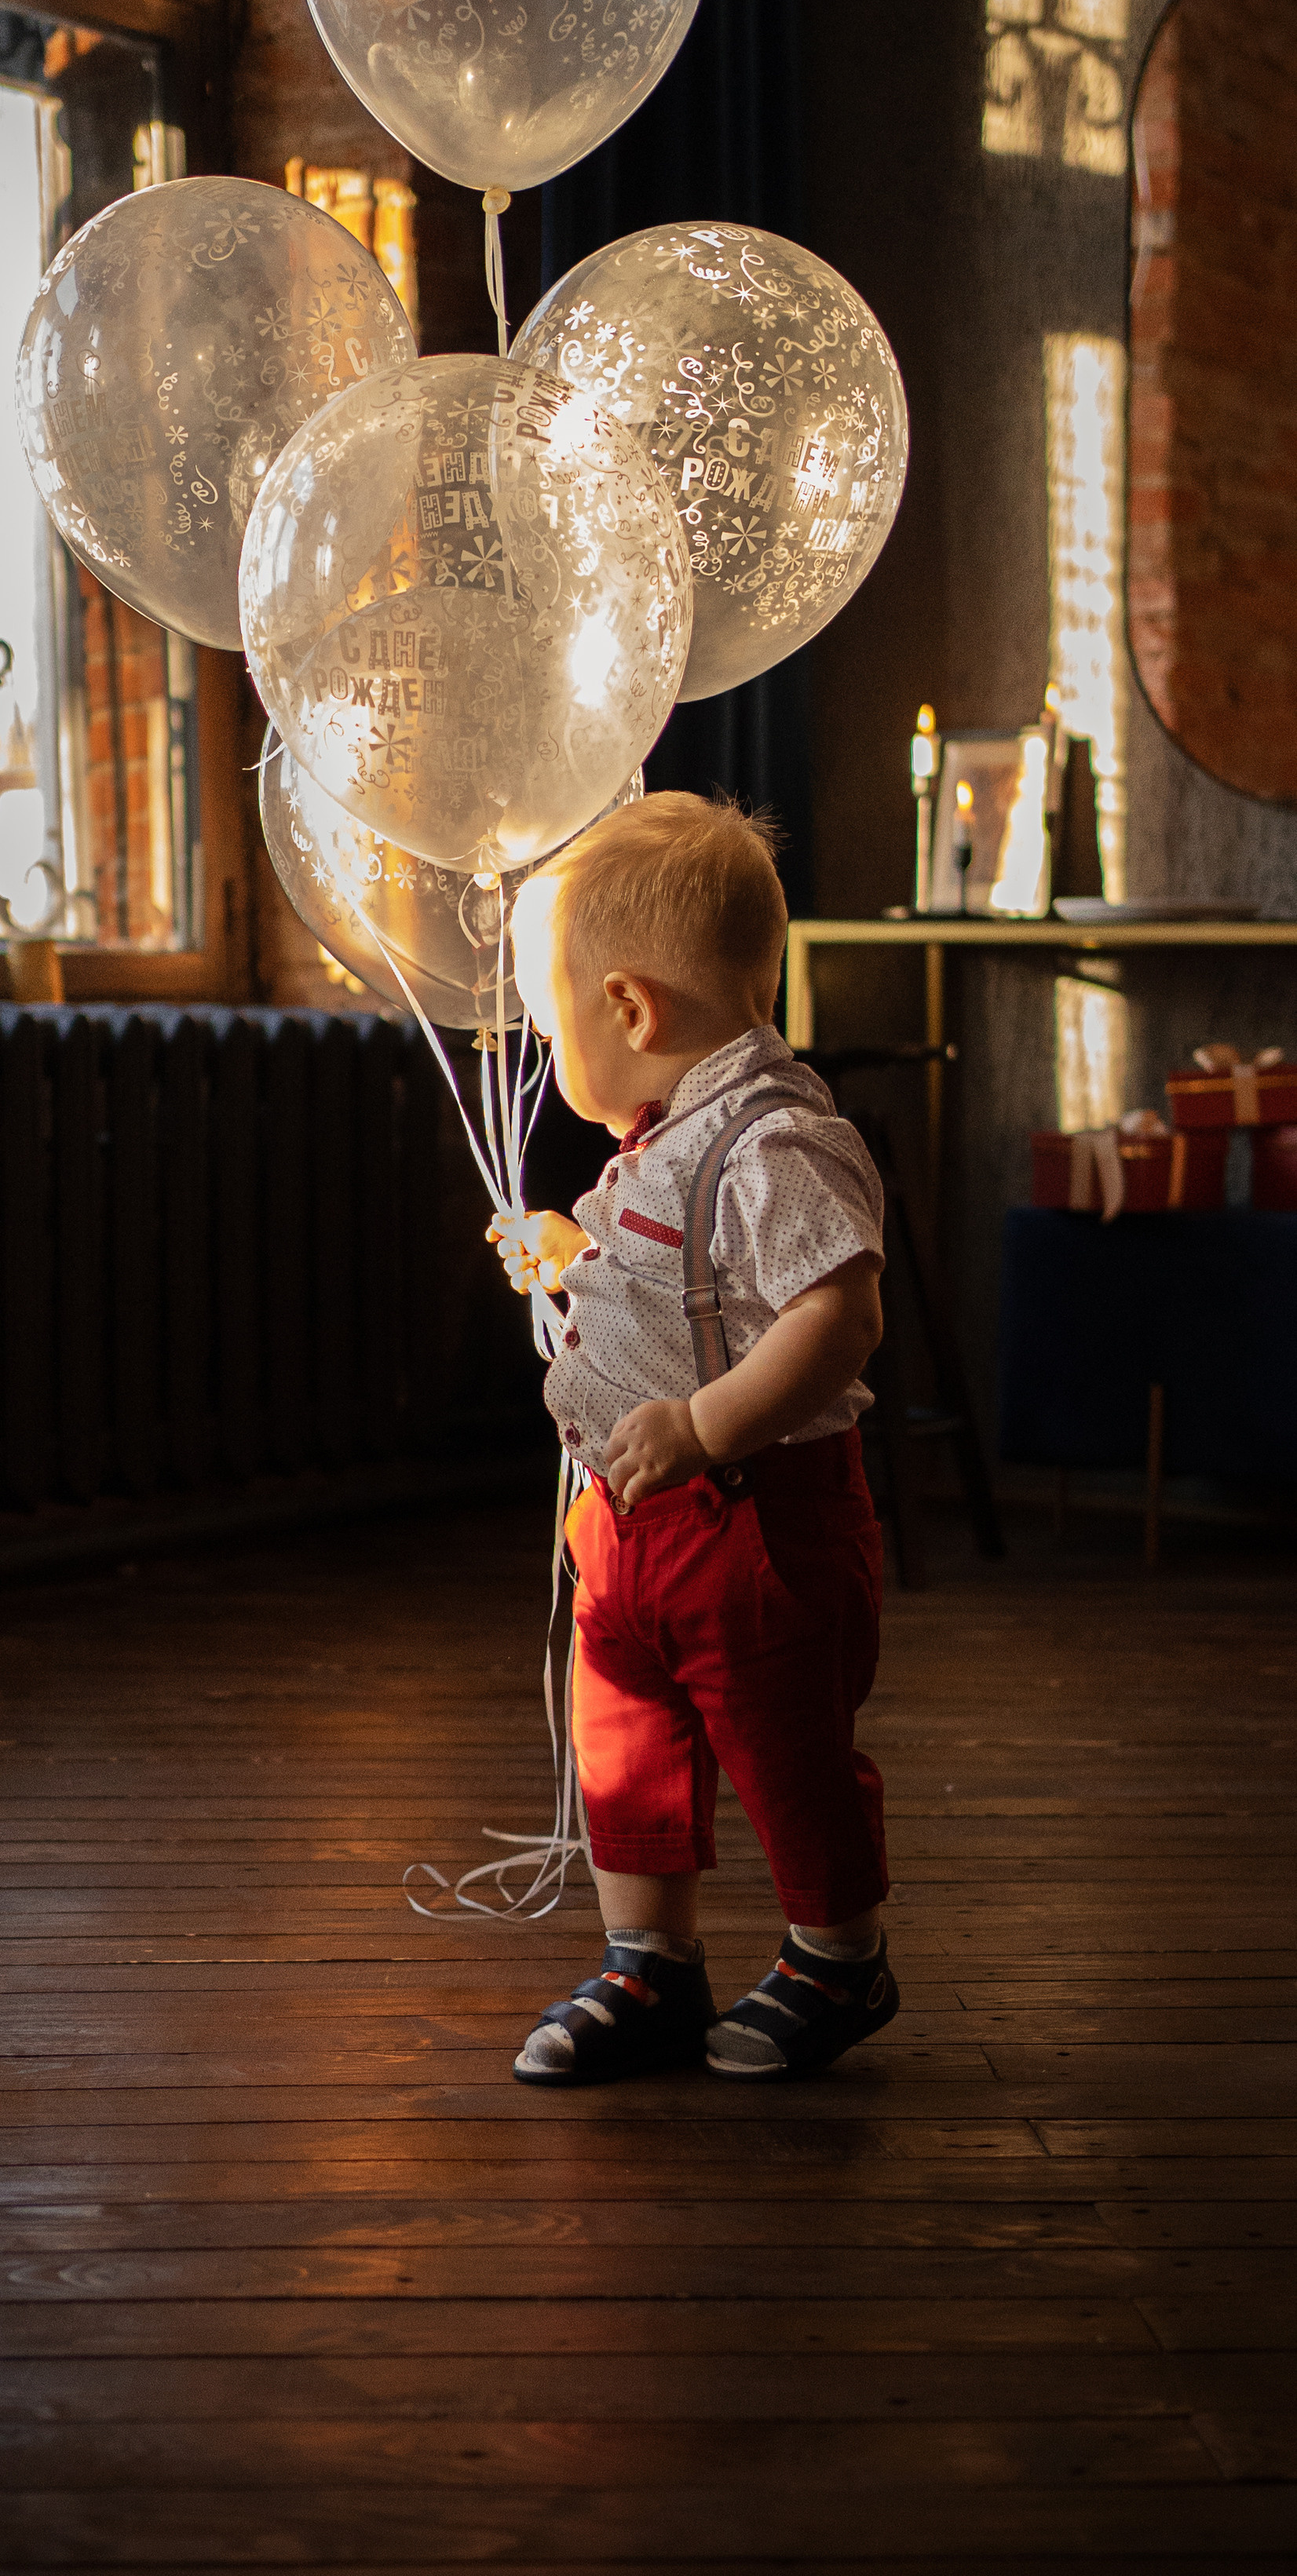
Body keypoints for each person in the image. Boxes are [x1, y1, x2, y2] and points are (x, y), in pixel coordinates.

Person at [488, 789, 897, 2084]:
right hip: (628, 1521)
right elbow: (666, 1273)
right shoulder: (661, 1140)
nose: (554, 1061)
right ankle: (647, 1962)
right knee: (627, 1741)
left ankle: (840, 1958)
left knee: (783, 1741)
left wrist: (710, 1421)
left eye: (556, 1031)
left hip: (751, 1515)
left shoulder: (774, 1138)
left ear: (631, 1010)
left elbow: (837, 1311)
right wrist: (573, 1252)